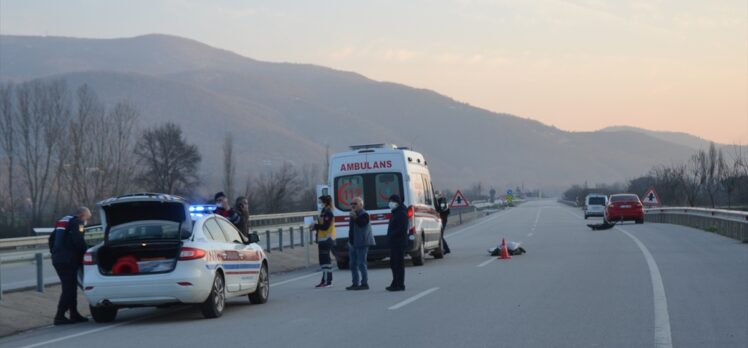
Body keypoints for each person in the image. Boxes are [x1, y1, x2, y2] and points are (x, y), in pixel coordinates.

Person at [50, 207, 92, 325]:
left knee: (70, 287)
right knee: (69, 288)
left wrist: (54, 253)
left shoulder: (63, 222)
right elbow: (79, 240)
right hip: (68, 260)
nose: (86, 221)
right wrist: (86, 253)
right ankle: (60, 316)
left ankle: (74, 314)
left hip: (58, 259)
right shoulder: (79, 223)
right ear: (82, 215)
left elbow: (51, 239)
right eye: (87, 218)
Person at [346, 197, 374, 291]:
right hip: (353, 243)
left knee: (361, 263)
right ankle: (355, 283)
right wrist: (349, 241)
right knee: (352, 264)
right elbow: (351, 229)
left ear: (361, 205)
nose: (353, 205)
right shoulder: (354, 214)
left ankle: (364, 283)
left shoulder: (364, 214)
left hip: (362, 242)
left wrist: (355, 217)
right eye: (352, 204)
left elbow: (362, 224)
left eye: (355, 204)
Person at [311, 195, 335, 288]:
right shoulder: (324, 211)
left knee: (326, 261)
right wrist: (314, 227)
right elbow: (322, 225)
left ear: (325, 202)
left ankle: (328, 281)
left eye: (321, 202)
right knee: (323, 261)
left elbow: (325, 227)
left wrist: (316, 226)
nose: (320, 203)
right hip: (322, 239)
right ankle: (324, 280)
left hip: (327, 239)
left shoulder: (328, 212)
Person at [386, 194, 407, 291]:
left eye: (392, 201)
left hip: (399, 243)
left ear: (397, 202)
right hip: (394, 243)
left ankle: (400, 284)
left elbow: (402, 229)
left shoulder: (401, 213)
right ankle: (395, 283)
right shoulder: (395, 212)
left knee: (398, 264)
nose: (390, 203)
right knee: (393, 264)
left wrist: (392, 234)